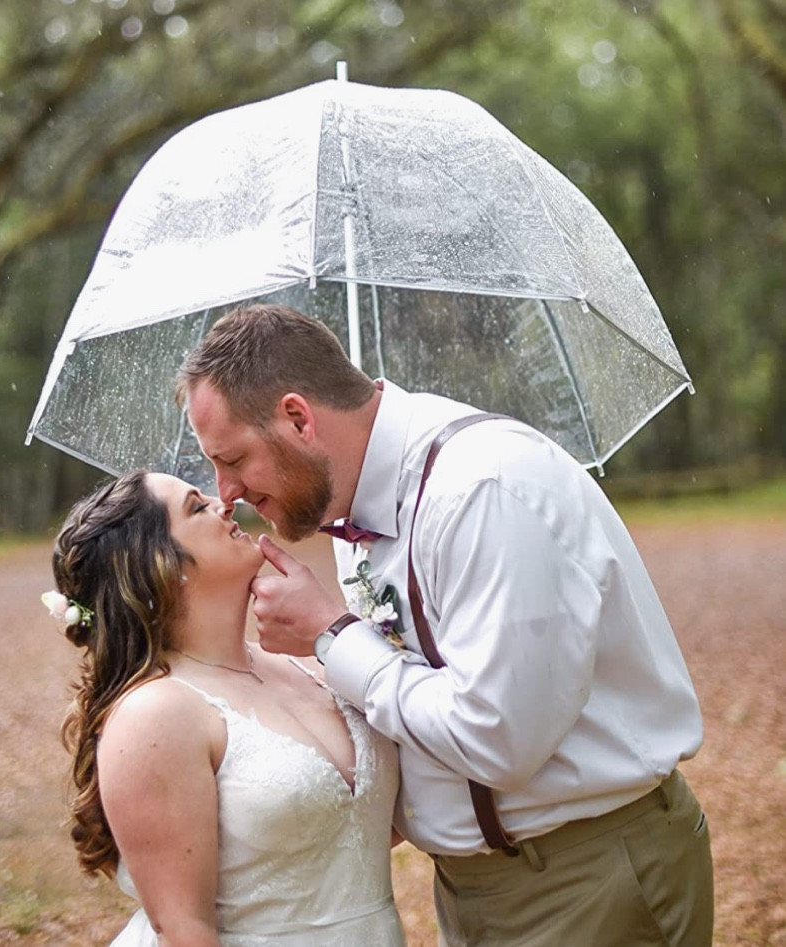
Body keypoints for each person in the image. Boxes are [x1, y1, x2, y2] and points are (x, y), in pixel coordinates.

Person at [176, 303, 715, 946]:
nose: (225, 490)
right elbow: (414, 695)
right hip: (469, 890)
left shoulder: (481, 488)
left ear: (298, 417)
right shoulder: (351, 508)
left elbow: (499, 741)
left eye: (232, 458)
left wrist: (334, 636)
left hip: (589, 877)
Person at [43, 468, 405, 946]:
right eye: (197, 507)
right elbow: (184, 929)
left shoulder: (305, 666)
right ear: (162, 564)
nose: (224, 503)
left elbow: (357, 828)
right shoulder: (155, 715)